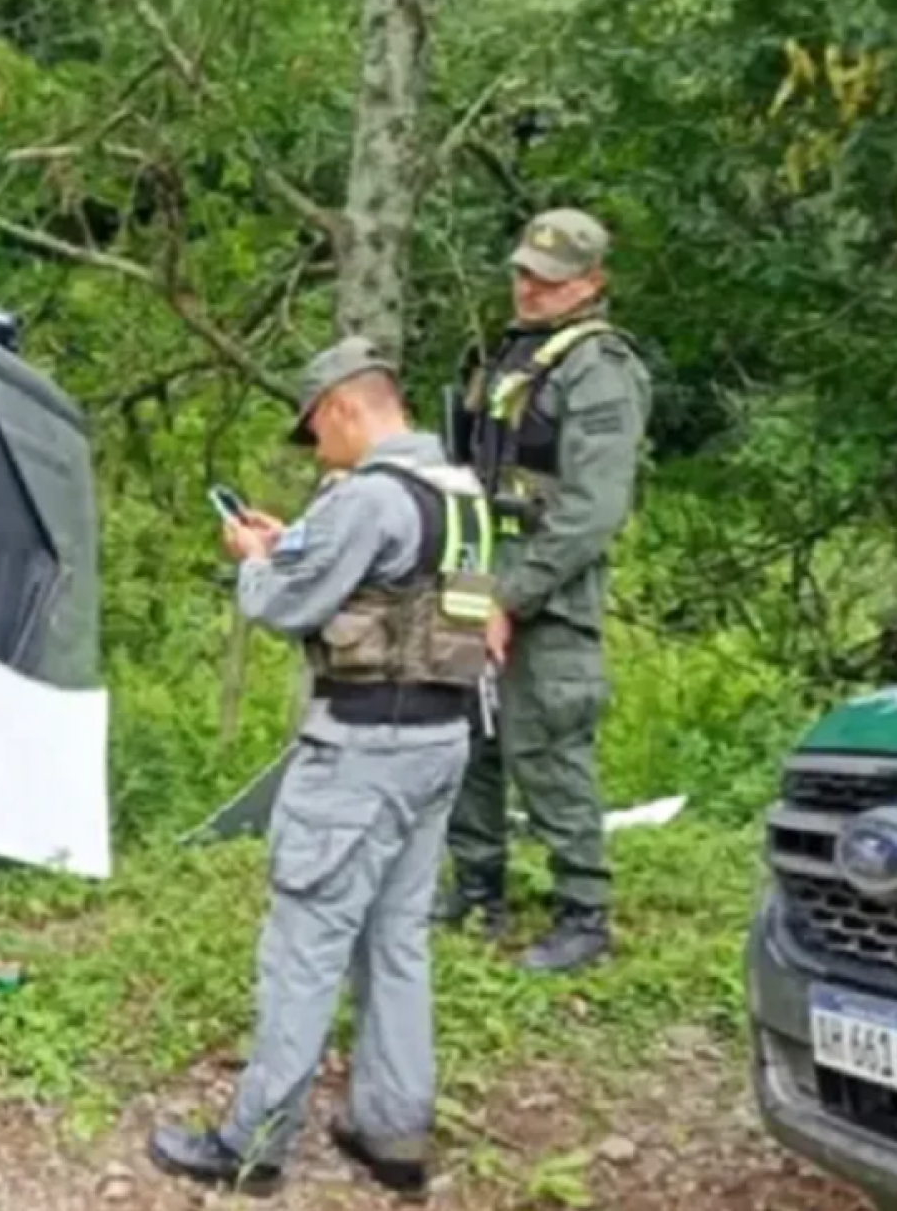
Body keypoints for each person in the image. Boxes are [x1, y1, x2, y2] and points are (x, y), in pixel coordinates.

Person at [150, 336, 490, 1200]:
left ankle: (252, 1144)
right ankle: (393, 1130)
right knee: (397, 938)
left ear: (342, 406)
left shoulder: (370, 497)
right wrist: (294, 538)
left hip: (359, 755)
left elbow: (284, 601)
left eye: (317, 433)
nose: (318, 451)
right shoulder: (463, 495)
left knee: (305, 945)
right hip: (441, 743)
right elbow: (393, 588)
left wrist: (256, 561)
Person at [435, 207, 652, 973]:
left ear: (590, 283)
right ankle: (478, 887)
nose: (529, 288)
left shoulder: (602, 370)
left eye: (549, 279)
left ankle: (583, 913)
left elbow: (595, 507)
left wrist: (513, 595)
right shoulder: (512, 355)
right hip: (477, 570)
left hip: (549, 591)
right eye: (524, 272)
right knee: (470, 733)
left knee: (549, 741)